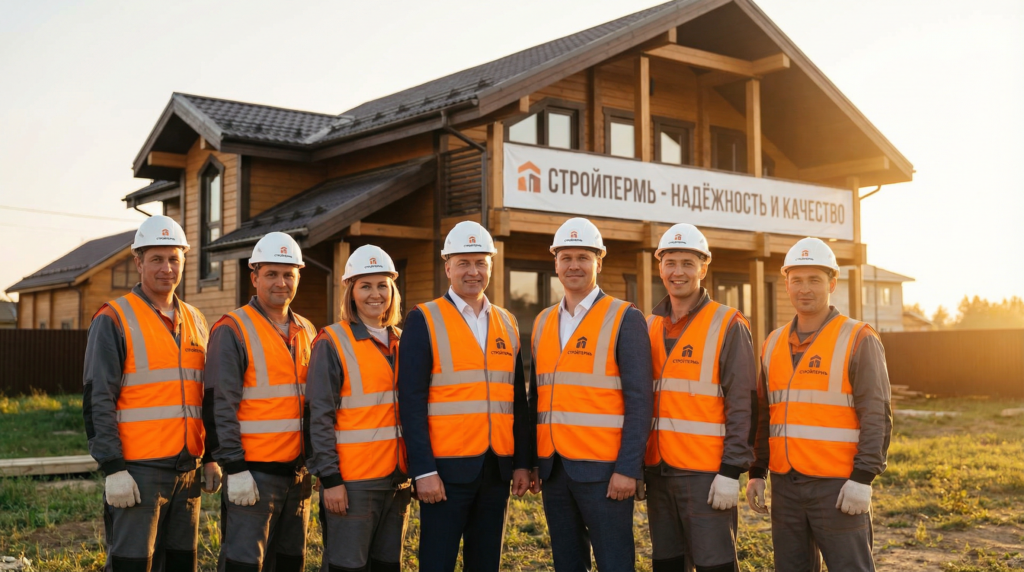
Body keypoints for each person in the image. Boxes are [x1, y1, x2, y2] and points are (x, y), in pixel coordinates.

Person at [746, 237, 892, 572]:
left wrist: (863, 478)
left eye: (814, 279)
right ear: (786, 284)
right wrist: (757, 471)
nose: (804, 288)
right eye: (796, 280)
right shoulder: (772, 343)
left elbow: (876, 414)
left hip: (838, 485)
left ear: (832, 283)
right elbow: (765, 415)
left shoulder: (858, 338)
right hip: (786, 484)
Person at [397, 221, 532, 572]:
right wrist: (424, 471)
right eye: (463, 263)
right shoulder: (424, 318)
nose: (473, 272)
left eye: (480, 263)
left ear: (491, 266)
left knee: (486, 564)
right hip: (444, 472)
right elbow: (410, 402)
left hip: (496, 468)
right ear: (447, 267)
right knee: (437, 563)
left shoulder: (508, 322)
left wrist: (521, 462)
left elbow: (517, 400)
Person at [84, 215, 213, 572]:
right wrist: (113, 468)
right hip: (138, 473)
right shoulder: (114, 318)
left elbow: (204, 397)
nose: (166, 268)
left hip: (187, 472)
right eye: (156, 259)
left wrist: (212, 457)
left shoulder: (196, 319)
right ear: (138, 262)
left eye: (174, 259)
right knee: (133, 564)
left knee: (181, 564)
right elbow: (97, 399)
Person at [529, 217, 653, 572]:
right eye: (566, 257)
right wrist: (534, 461)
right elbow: (537, 398)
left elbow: (640, 400)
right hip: (554, 469)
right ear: (555, 263)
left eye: (583, 257)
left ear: (599, 261)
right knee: (567, 563)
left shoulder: (625, 317)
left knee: (615, 563)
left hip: (605, 471)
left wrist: (628, 469)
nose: (574, 266)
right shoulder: (542, 322)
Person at [642, 223, 756, 572]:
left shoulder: (728, 323)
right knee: (667, 564)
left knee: (714, 565)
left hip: (707, 475)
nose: (678, 272)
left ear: (703, 268)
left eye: (688, 263)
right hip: (658, 472)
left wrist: (731, 471)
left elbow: (744, 403)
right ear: (660, 267)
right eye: (670, 263)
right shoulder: (648, 326)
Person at [205, 232, 316, 572]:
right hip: (253, 476)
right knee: (244, 564)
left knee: (290, 564)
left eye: (288, 274)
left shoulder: (308, 331)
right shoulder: (233, 328)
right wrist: (235, 468)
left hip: (297, 477)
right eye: (271, 274)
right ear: (254, 277)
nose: (281, 283)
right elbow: (219, 405)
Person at [306, 244, 410, 572]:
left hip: (397, 482)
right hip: (353, 484)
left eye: (382, 285)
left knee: (387, 566)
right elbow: (319, 416)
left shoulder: (404, 340)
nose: (375, 294)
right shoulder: (332, 342)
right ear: (351, 292)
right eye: (365, 286)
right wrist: (330, 479)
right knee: (346, 566)